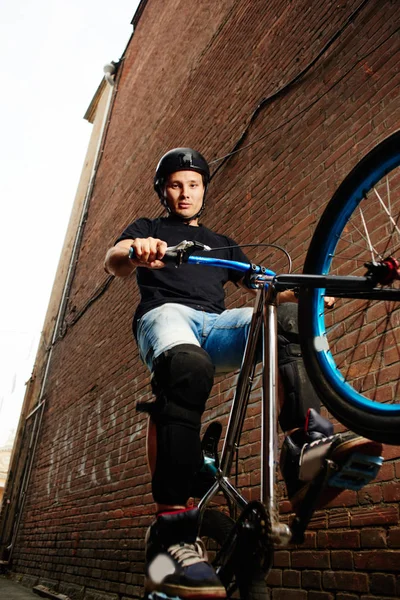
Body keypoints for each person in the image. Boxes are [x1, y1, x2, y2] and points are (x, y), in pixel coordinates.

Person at [105, 148, 382, 599]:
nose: (185, 192)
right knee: (187, 367)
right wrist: (136, 251)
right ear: (164, 191)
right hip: (166, 317)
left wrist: (304, 296)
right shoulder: (150, 229)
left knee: (287, 321)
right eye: (176, 185)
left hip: (216, 325)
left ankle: (304, 450)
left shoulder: (222, 242)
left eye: (193, 184)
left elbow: (264, 286)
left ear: (203, 190)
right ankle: (171, 534)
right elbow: (114, 261)